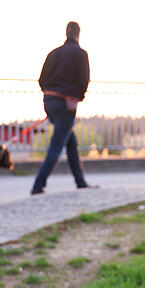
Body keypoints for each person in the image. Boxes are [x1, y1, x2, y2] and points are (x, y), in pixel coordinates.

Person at [31, 21, 95, 195]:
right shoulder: (81, 54)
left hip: (49, 103)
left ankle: (80, 182)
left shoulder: (53, 53)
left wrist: (50, 94)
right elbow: (84, 80)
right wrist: (78, 97)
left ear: (66, 33)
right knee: (56, 146)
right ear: (78, 34)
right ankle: (38, 185)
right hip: (66, 105)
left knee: (70, 142)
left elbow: (41, 80)